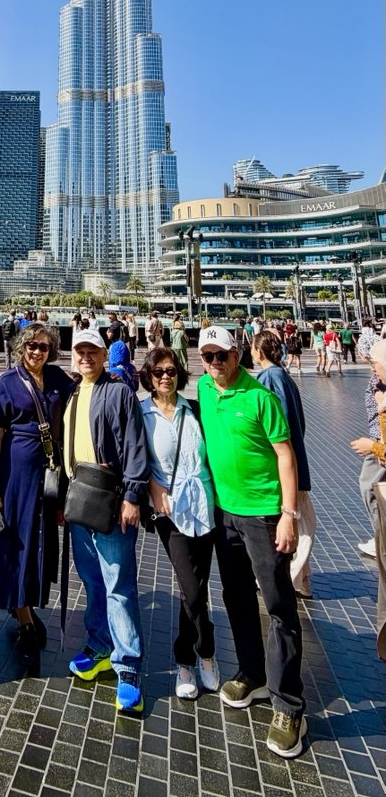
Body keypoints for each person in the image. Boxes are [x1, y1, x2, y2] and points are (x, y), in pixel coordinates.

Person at [197, 325, 306, 759]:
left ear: (237, 353)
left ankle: (288, 705)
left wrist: (289, 515)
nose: (215, 364)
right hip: (226, 514)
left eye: (222, 355)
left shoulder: (261, 395)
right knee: (237, 596)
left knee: (279, 606)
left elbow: (286, 454)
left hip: (263, 515)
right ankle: (252, 673)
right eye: (208, 356)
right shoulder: (204, 389)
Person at [0, 322, 75, 668]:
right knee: (16, 542)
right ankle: (23, 618)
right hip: (14, 476)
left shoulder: (60, 381)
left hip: (48, 477)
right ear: (21, 347)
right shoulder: (6, 384)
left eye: (44, 347)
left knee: (39, 541)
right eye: (31, 346)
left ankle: (28, 605)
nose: (37, 352)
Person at [65, 329, 149, 714]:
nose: (85, 357)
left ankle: (128, 666)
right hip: (79, 501)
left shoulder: (117, 392)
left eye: (92, 351)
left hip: (111, 501)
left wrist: (132, 496)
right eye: (80, 351)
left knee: (119, 584)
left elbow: (134, 446)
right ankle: (100, 644)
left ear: (104, 355)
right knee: (93, 579)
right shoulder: (72, 392)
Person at [140, 346, 218, 700]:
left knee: (196, 587)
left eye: (171, 371)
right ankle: (198, 654)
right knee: (193, 587)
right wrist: (154, 490)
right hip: (169, 512)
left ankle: (195, 658)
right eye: (159, 372)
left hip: (204, 506)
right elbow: (136, 460)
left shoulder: (195, 410)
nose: (166, 377)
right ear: (149, 377)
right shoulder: (142, 414)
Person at [253, 331, 316, 599]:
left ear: (258, 352)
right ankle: (301, 580)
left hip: (285, 465)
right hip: (295, 460)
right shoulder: (282, 375)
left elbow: (280, 425)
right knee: (302, 521)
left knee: (297, 523)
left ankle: (290, 578)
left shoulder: (269, 378)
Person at [350, 337, 386, 559]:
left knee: (371, 488)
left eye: (377, 364)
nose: (374, 369)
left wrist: (372, 446)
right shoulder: (378, 384)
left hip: (377, 447)